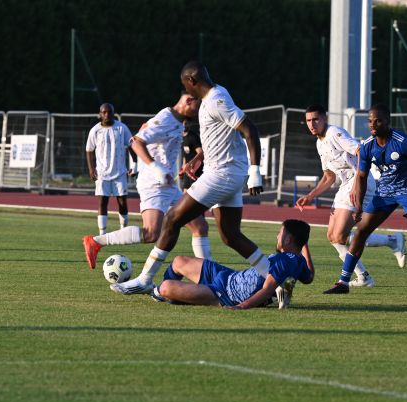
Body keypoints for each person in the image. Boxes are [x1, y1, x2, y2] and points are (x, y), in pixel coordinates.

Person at [110, 60, 272, 296]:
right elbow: (223, 135)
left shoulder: (216, 100)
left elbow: (250, 129)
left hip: (221, 175)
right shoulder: (216, 95)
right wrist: (199, 158)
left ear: (191, 81)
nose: (186, 91)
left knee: (172, 219)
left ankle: (145, 279)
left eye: (186, 86)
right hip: (228, 173)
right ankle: (274, 278)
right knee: (231, 235)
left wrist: (256, 171)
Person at [81, 93, 212, 268]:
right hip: (153, 184)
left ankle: (208, 275)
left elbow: (144, 131)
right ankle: (96, 241)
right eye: (199, 104)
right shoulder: (166, 118)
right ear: (188, 101)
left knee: (200, 226)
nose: (201, 109)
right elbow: (135, 142)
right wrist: (155, 168)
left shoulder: (177, 120)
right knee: (151, 233)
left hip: (169, 185)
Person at [324, 103, 407, 296]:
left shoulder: (404, 142)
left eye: (378, 121)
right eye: (370, 121)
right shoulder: (367, 146)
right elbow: (361, 176)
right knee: (361, 231)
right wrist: (359, 206)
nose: (373, 125)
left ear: (387, 121)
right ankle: (343, 282)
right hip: (384, 192)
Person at [298, 104, 407, 288]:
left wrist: (357, 184)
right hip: (345, 185)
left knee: (340, 235)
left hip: (360, 181)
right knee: (333, 237)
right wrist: (310, 196)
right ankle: (365, 274)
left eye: (315, 119)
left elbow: (360, 151)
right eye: (308, 120)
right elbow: (329, 176)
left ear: (324, 118)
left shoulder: (334, 133)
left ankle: (391, 243)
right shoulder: (319, 143)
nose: (312, 124)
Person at [152, 219, 314, 309]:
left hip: (224, 294)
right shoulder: (297, 260)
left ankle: (164, 294)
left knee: (166, 287)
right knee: (178, 261)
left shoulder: (285, 261)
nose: (277, 236)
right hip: (227, 275)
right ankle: (166, 296)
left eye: (280, 233)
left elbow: (266, 291)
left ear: (288, 239)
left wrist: (241, 307)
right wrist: (304, 245)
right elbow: (309, 277)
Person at [86, 103, 134, 235]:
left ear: (113, 113)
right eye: (104, 112)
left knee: (122, 202)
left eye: (109, 112)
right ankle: (102, 233)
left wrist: (135, 165)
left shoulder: (122, 128)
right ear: (100, 114)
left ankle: (123, 231)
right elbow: (89, 150)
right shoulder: (95, 130)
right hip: (102, 173)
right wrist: (91, 169)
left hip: (120, 172)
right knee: (102, 202)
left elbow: (131, 145)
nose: (107, 114)